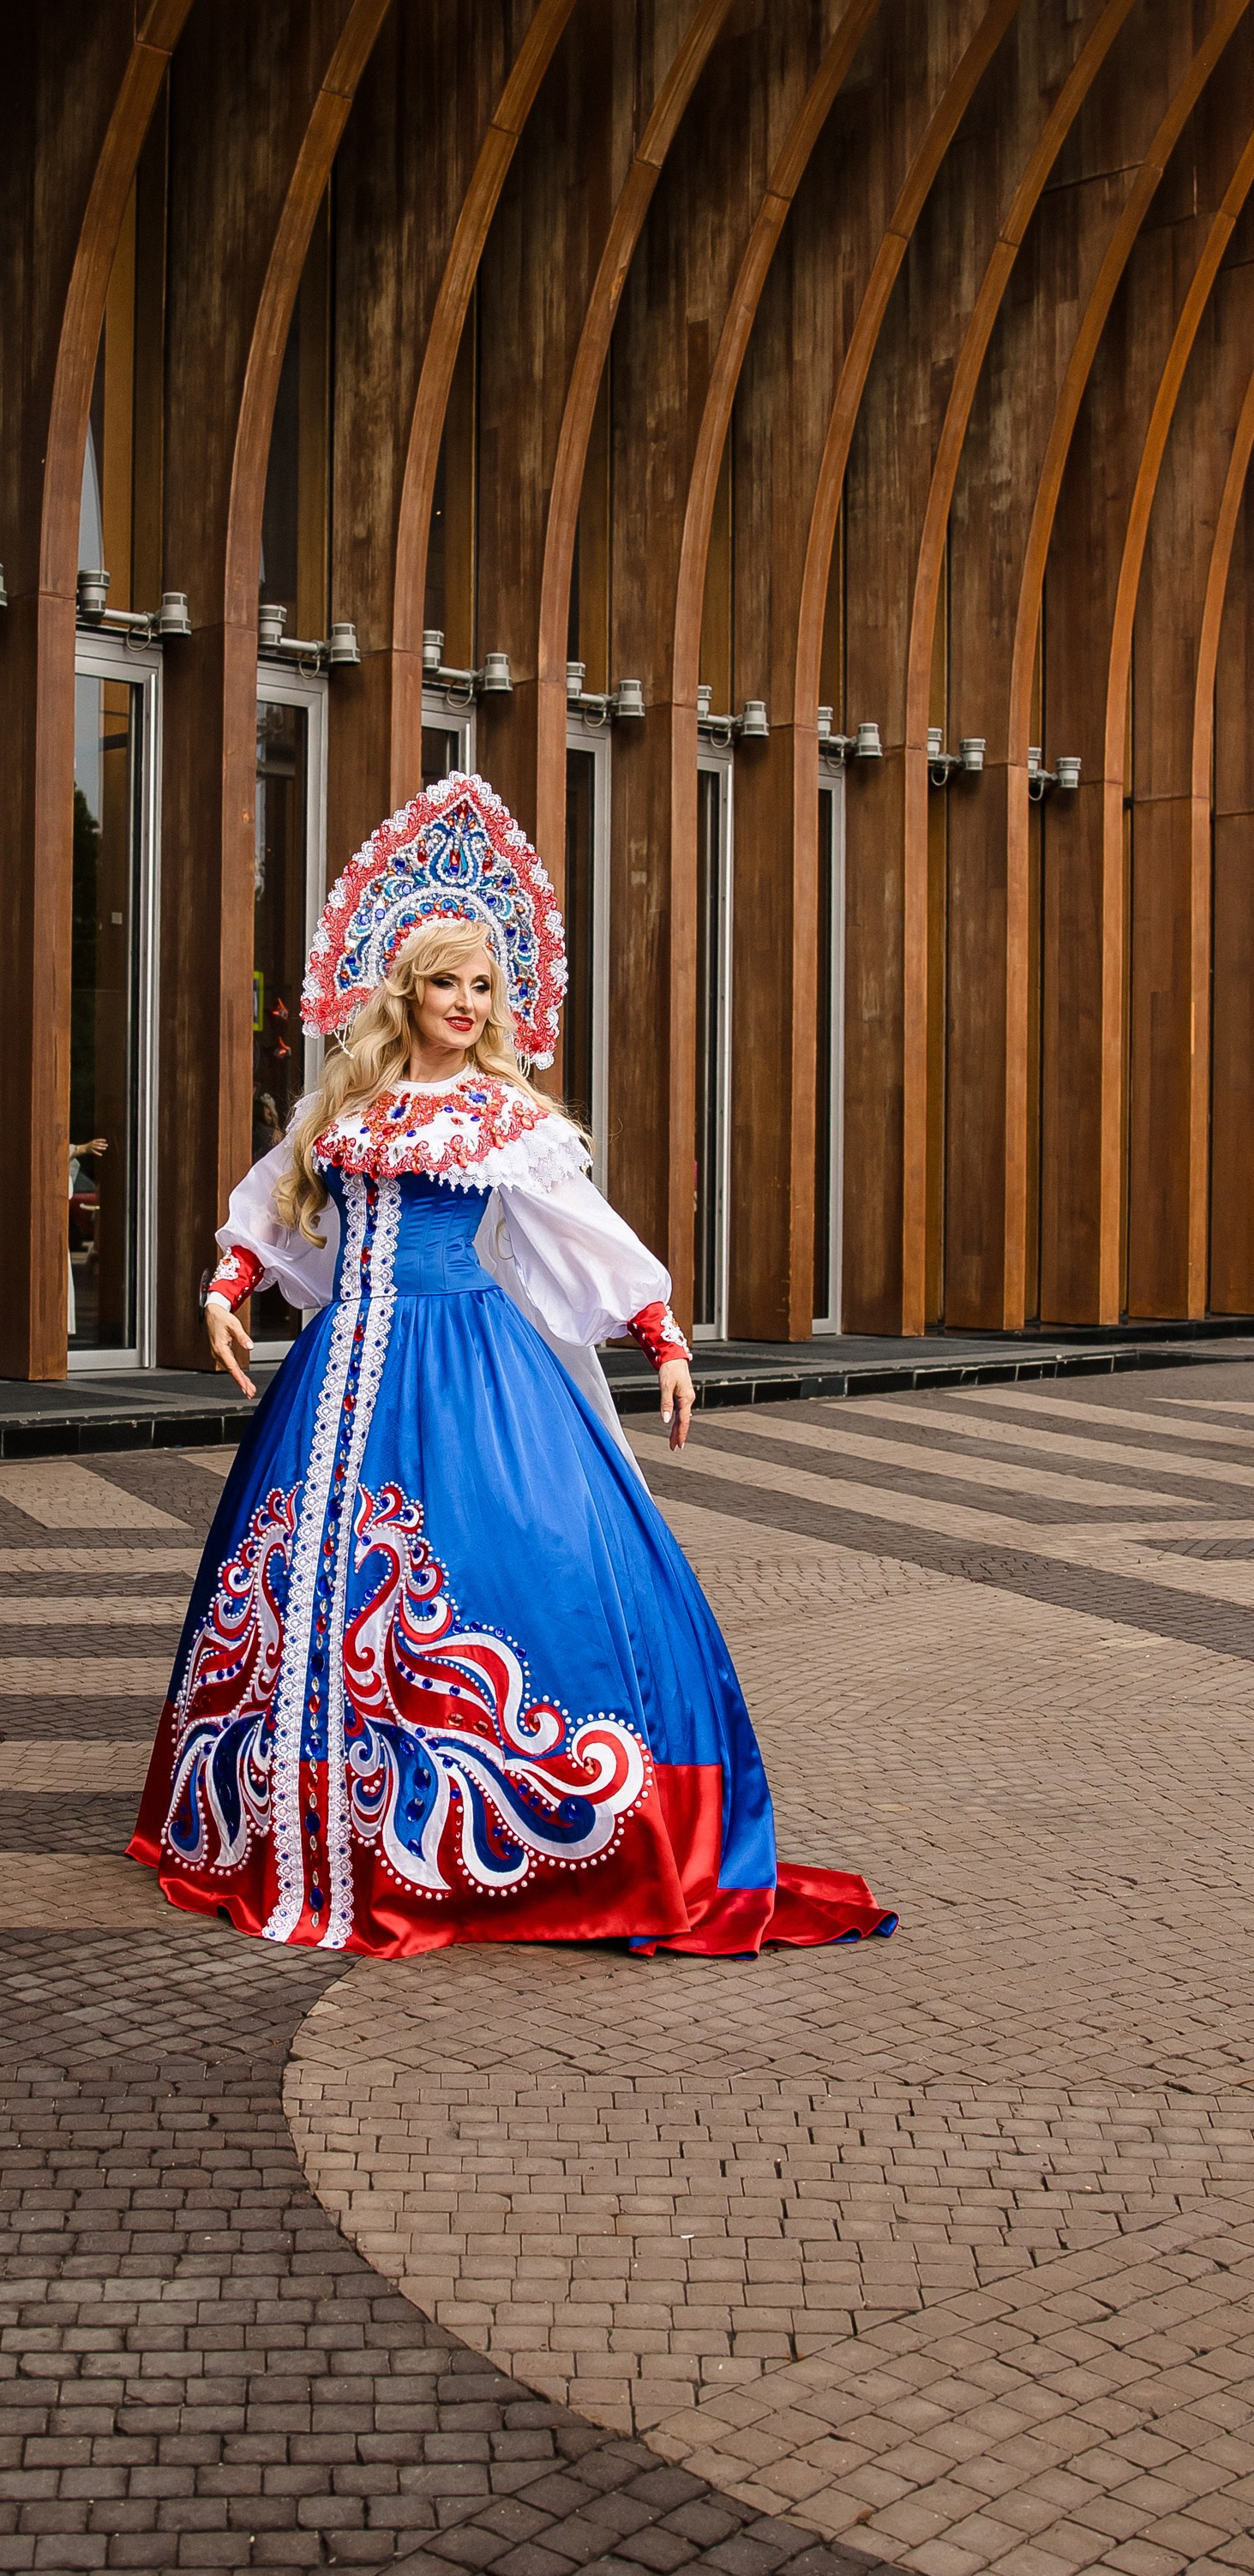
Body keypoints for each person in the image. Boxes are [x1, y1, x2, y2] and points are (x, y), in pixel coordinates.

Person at [131, 770, 891, 1962]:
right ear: (406, 988)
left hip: (466, 1358)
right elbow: (274, 1209)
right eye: (447, 982)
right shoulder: (347, 1103)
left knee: (497, 1564)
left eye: (484, 987)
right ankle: (306, 1807)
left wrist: (662, 1336)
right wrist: (227, 1290)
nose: (467, 1003)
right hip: (340, 1372)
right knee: (304, 1585)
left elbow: (584, 1234)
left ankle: (468, 1818)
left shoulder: (503, 1119)